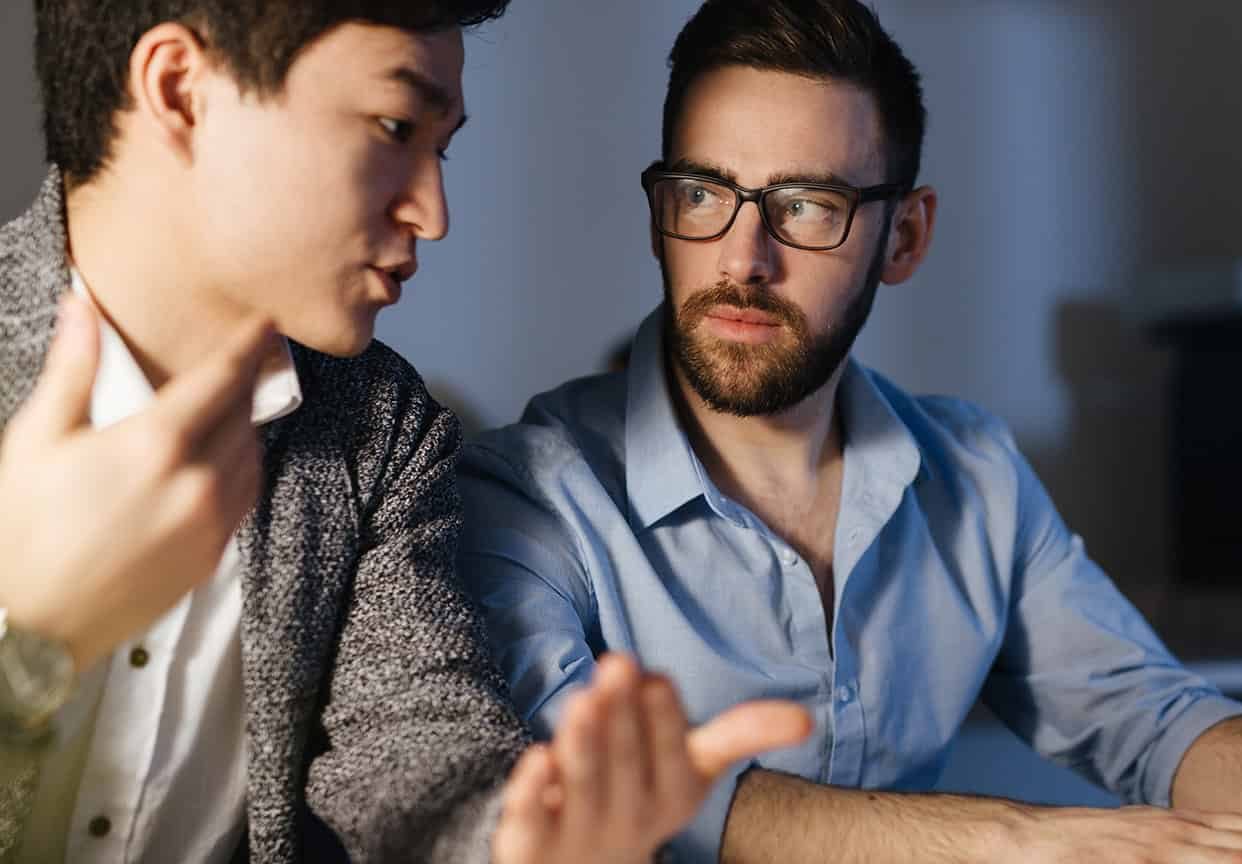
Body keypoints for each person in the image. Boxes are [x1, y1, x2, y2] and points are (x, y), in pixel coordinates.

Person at [457, 1, 1242, 862]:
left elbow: (1144, 715)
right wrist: (1025, 841)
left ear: (907, 238)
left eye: (808, 206)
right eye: (705, 195)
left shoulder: (974, 474)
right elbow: (567, 790)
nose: (743, 258)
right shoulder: (521, 493)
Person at [0, 3, 807, 862]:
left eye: (442, 147)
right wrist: (34, 648)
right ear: (181, 90)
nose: (432, 212)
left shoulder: (378, 425)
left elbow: (421, 757)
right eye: (394, 127)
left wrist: (527, 845)